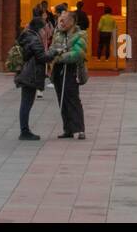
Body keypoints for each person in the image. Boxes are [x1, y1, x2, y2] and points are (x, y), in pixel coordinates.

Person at [47, 8, 87, 139]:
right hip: (58, 70)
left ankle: (80, 129)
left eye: (64, 20)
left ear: (72, 22)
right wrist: (54, 54)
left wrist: (60, 56)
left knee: (73, 98)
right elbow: (52, 48)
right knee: (62, 98)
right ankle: (68, 129)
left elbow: (78, 54)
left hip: (71, 70)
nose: (61, 22)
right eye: (60, 20)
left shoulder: (80, 35)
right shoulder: (57, 33)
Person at [14, 8, 48, 140]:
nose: (46, 31)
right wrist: (55, 53)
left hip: (25, 73)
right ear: (39, 29)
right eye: (44, 28)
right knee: (27, 103)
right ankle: (24, 131)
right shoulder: (34, 40)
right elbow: (42, 57)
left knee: (25, 102)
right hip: (30, 75)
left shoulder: (26, 36)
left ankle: (24, 130)